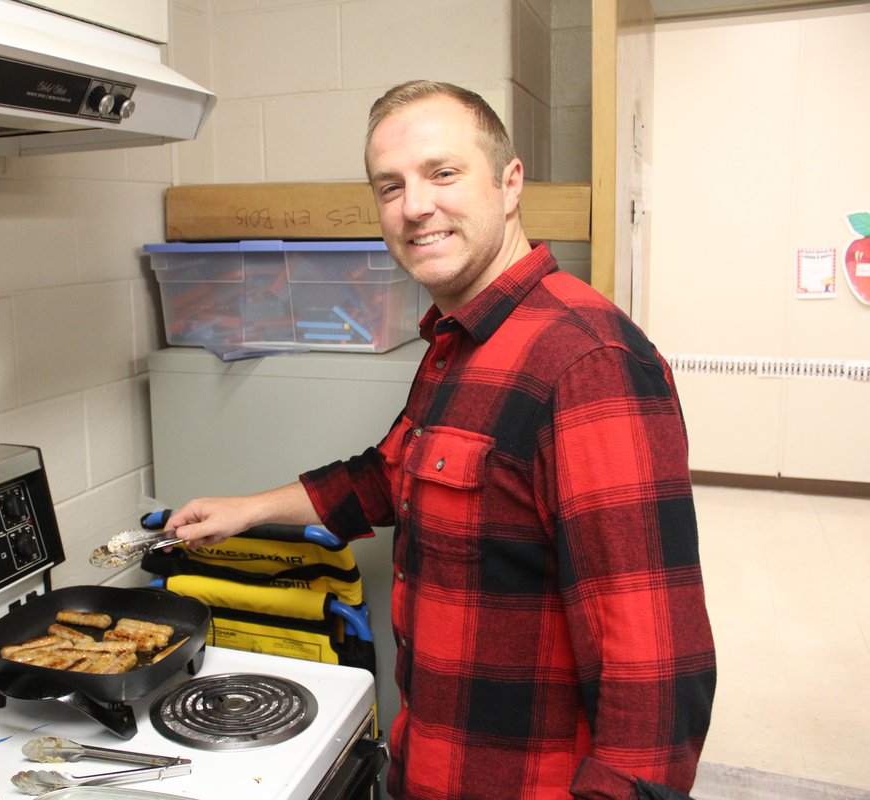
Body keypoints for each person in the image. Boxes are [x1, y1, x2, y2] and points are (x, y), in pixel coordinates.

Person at [164, 80, 716, 800]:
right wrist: (248, 509)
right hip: (431, 766)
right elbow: (392, 476)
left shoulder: (588, 362)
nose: (414, 206)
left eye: (443, 173)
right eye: (390, 186)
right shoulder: (460, 341)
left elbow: (654, 666)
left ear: (510, 184)